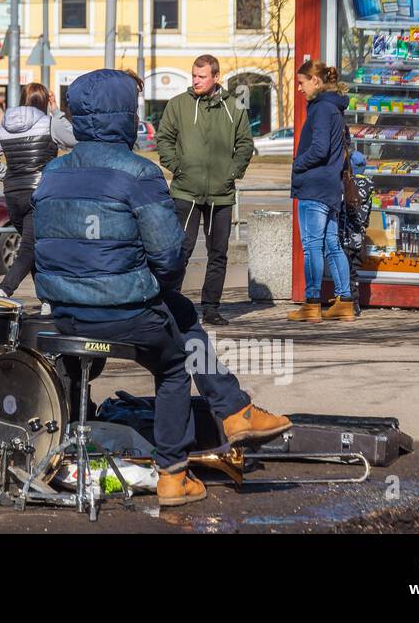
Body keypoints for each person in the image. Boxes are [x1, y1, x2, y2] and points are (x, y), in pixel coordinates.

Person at [32, 69, 291, 507]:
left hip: (64, 313)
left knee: (181, 315)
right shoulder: (139, 173)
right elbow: (170, 256)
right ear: (125, 117)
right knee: (175, 362)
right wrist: (150, 286)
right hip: (122, 314)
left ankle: (234, 411)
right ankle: (177, 468)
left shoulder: (54, 173)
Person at [154, 54, 254, 326]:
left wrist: (232, 173)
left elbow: (245, 144)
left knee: (218, 254)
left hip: (221, 195)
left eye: (202, 76)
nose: (196, 81)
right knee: (180, 251)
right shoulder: (178, 105)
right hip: (185, 192)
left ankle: (211, 307)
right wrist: (178, 167)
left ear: (215, 77)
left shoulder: (235, 107)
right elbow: (163, 139)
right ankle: (169, 304)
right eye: (194, 76)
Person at [0, 82, 77, 298]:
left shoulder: (4, 125)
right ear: (44, 102)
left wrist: (9, 177)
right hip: (40, 194)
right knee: (30, 249)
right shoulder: (49, 123)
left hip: (13, 195)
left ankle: (46, 301)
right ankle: (3, 291)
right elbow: (74, 139)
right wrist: (57, 112)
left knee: (33, 247)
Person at [288, 60, 354, 322]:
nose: (299, 88)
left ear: (315, 81)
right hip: (330, 185)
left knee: (312, 246)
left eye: (302, 82)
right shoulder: (335, 108)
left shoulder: (321, 109)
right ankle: (344, 301)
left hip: (314, 186)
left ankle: (312, 303)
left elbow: (319, 149)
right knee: (331, 243)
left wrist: (297, 164)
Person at [339, 148, 373, 314]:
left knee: (347, 270)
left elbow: (344, 208)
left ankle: (351, 303)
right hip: (359, 236)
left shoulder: (347, 184)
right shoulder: (369, 186)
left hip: (347, 235)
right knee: (353, 270)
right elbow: (367, 216)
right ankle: (354, 302)